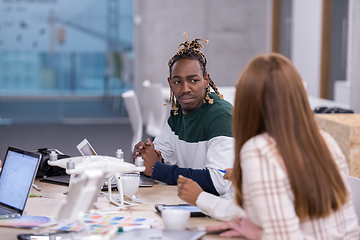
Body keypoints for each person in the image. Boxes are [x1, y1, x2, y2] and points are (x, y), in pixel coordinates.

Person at [179, 53, 360, 239]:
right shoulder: (325, 141)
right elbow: (261, 212)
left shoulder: (259, 151)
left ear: (246, 104)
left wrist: (259, 234)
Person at [133, 33, 234, 197]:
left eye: (193, 80)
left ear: (206, 80)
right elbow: (157, 157)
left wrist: (158, 169)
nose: (185, 88)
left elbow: (219, 182)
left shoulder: (221, 116)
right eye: (178, 81)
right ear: (170, 83)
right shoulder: (178, 113)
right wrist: (143, 157)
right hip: (191, 203)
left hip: (221, 210)